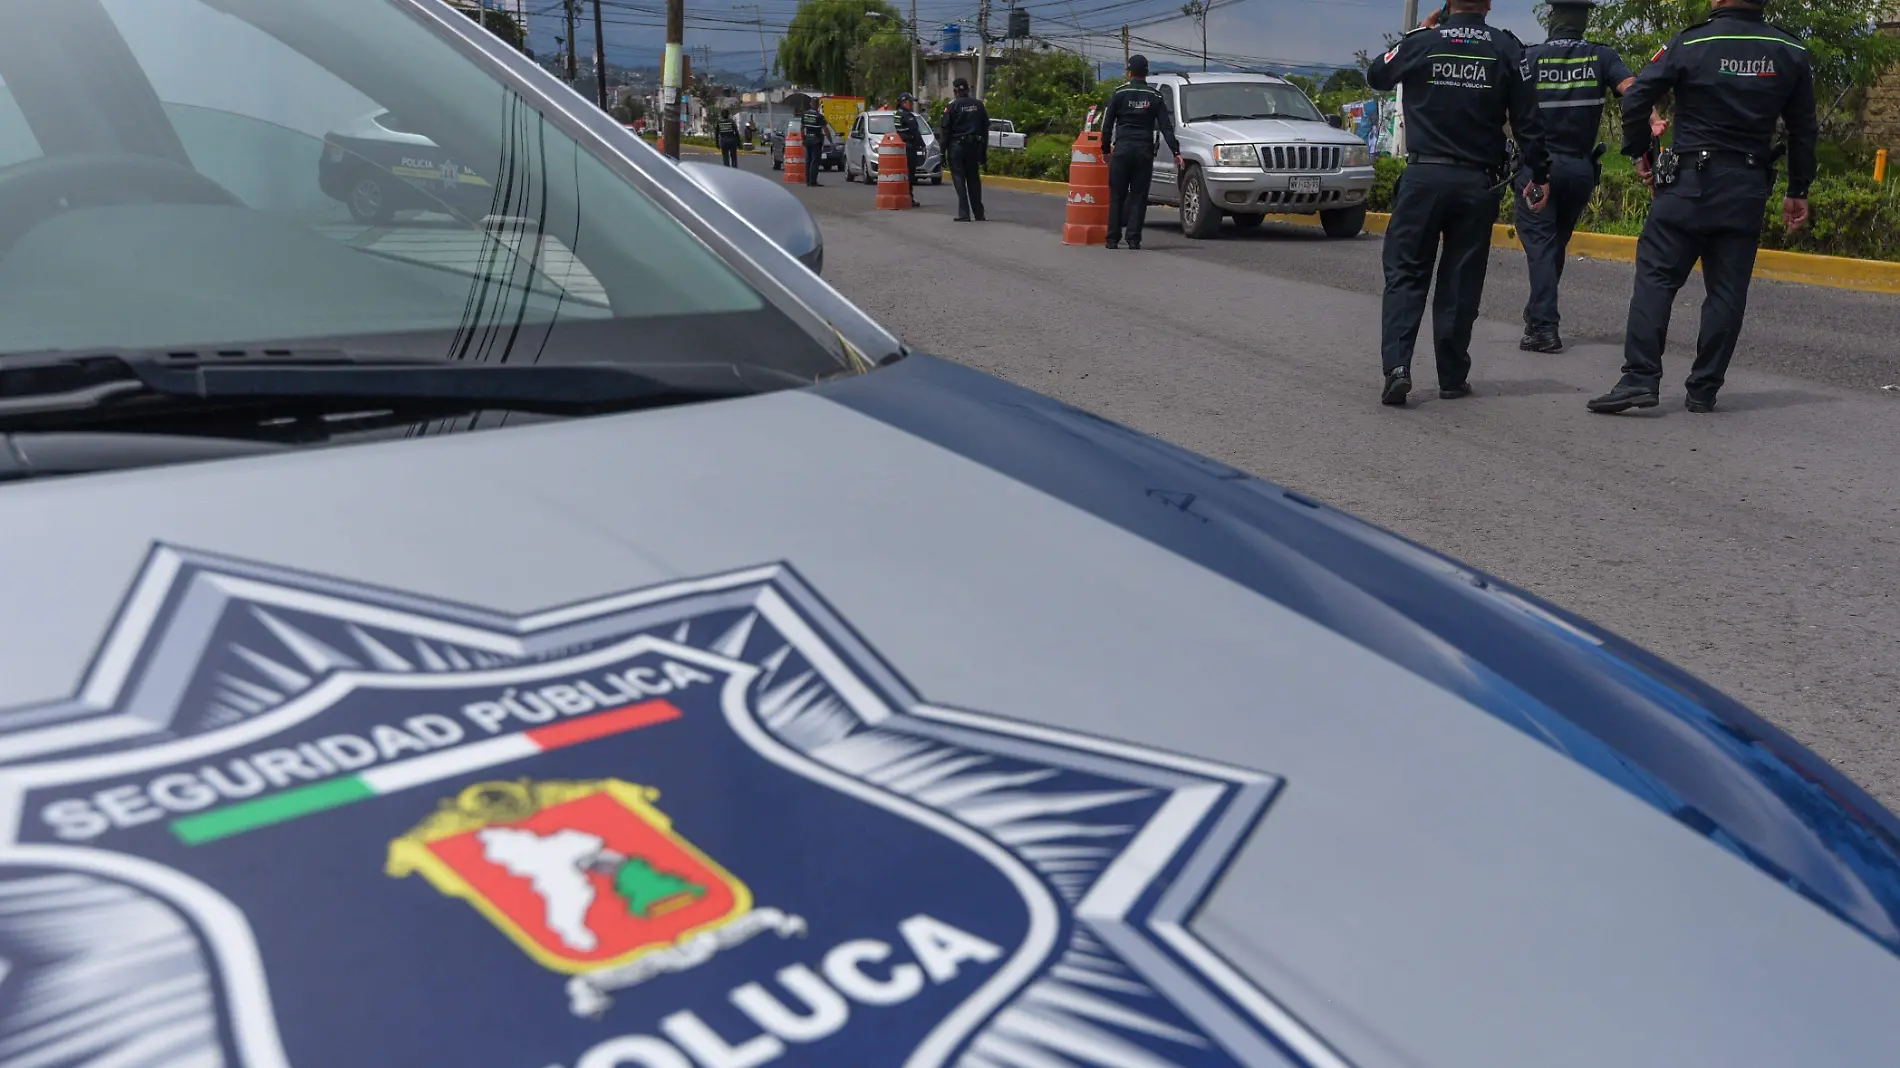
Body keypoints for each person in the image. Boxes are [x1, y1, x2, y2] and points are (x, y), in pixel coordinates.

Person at [1588, 0, 1816, 414]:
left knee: (1656, 277)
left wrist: (1640, 151)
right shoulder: (1790, 51)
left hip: (1688, 185)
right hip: (1746, 188)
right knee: (1726, 291)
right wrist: (1798, 188)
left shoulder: (1691, 42)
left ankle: (1640, 378)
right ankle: (1704, 389)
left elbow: (1637, 97)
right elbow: (1804, 128)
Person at [1366, 0, 1551, 407]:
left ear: (1448, 4)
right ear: (1488, 4)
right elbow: (1528, 120)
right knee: (1460, 281)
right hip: (1476, 184)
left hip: (1422, 178)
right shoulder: (1506, 48)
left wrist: (1417, 32)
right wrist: (1538, 174)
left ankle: (1397, 368)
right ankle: (1451, 377)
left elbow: (1377, 73)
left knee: (1407, 275)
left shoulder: (1423, 42)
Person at [1515, 0, 1638, 353]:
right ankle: (1538, 310)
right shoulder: (1602, 56)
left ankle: (1543, 327)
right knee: (1554, 244)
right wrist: (1648, 122)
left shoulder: (1530, 57)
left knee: (1539, 246)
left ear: (1553, 18)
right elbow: (1633, 89)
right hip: (1580, 172)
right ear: (1582, 21)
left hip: (1540, 172)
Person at [1098, 54, 1181, 250]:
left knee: (1117, 195)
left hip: (1122, 150)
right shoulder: (1155, 96)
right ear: (1146, 72)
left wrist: (1105, 150)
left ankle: (1112, 239)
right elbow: (1166, 127)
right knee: (1139, 195)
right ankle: (1133, 239)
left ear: (1129, 72)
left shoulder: (1119, 94)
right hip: (1143, 151)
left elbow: (1107, 125)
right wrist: (1176, 151)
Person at [939, 77, 989, 221]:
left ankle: (964, 213)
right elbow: (985, 130)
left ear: (955, 91)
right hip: (975, 147)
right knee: (974, 179)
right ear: (967, 89)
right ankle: (979, 213)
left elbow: (945, 132)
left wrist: (942, 153)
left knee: (959, 179)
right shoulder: (978, 105)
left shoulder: (952, 106)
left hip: (957, 148)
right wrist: (983, 154)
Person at [894, 93, 925, 208]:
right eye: (910, 102)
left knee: (906, 174)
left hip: (903, 146)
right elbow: (915, 132)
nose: (911, 104)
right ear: (904, 102)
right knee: (910, 174)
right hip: (910, 146)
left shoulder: (898, 114)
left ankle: (906, 197)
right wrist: (922, 145)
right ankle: (909, 198)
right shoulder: (908, 116)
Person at [801, 99, 828, 187]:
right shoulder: (819, 116)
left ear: (810, 104)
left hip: (807, 139)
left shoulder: (805, 114)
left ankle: (808, 181)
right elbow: (826, 130)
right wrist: (830, 141)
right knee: (815, 161)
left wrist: (803, 139)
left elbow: (801, 128)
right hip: (816, 140)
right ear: (818, 105)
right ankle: (813, 181)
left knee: (808, 160)